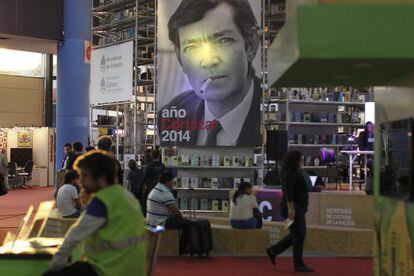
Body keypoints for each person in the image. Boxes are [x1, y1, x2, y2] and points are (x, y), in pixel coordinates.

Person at [158, 0, 261, 146]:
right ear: (180, 57)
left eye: (223, 40)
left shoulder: (271, 111)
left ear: (251, 45)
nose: (208, 61)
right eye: (192, 47)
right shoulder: (171, 114)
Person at [44, 150, 146, 276]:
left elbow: (75, 235)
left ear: (101, 177)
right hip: (131, 268)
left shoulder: (103, 200)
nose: (80, 180)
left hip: (109, 270)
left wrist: (56, 264)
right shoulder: (124, 195)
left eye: (84, 175)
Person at [266, 151, 314, 273]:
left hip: (296, 207)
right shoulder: (290, 174)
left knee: (296, 234)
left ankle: (274, 250)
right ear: (295, 160)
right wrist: (291, 209)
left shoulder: (293, 173)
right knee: (299, 235)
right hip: (293, 207)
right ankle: (298, 264)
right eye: (300, 159)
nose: (302, 161)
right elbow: (289, 194)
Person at [146, 170, 190, 254]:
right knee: (187, 224)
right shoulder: (165, 192)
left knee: (181, 222)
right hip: (160, 223)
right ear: (167, 181)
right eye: (172, 181)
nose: (173, 184)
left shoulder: (156, 188)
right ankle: (181, 249)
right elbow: (176, 212)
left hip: (152, 221)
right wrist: (182, 218)